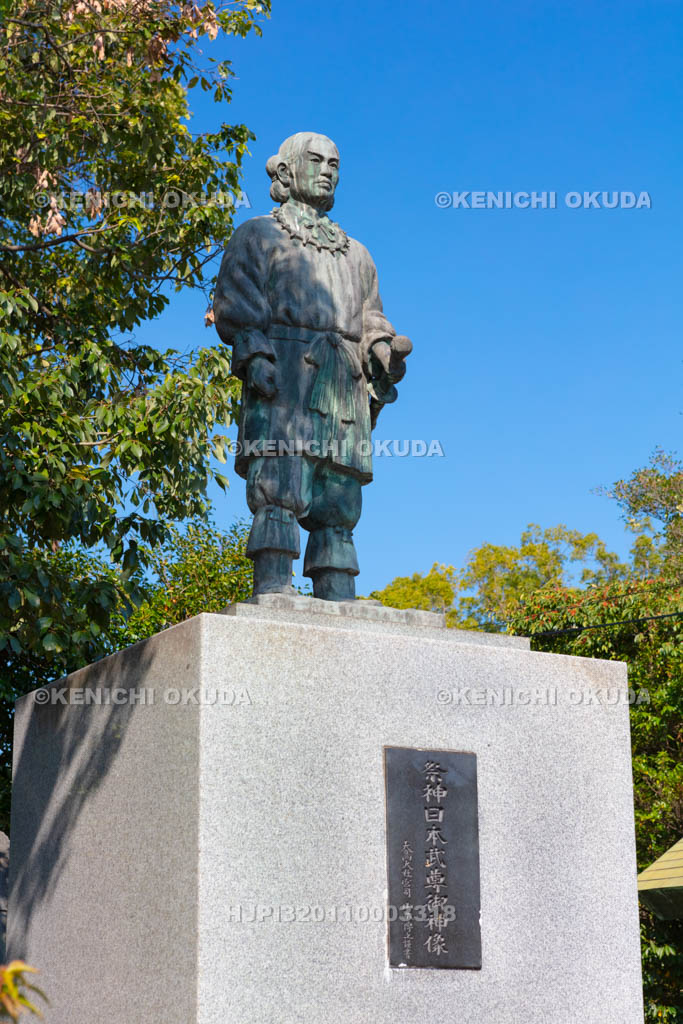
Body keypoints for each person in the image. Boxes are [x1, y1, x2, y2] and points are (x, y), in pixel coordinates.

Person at [213, 131, 411, 600]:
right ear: (285, 172)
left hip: (342, 381)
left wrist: (382, 351)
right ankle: (273, 585)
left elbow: (371, 318)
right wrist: (254, 352)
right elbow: (236, 304)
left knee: (338, 497)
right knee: (280, 480)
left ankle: (337, 590)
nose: (327, 170)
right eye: (317, 161)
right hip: (286, 371)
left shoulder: (357, 253)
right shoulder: (258, 235)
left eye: (335, 164)